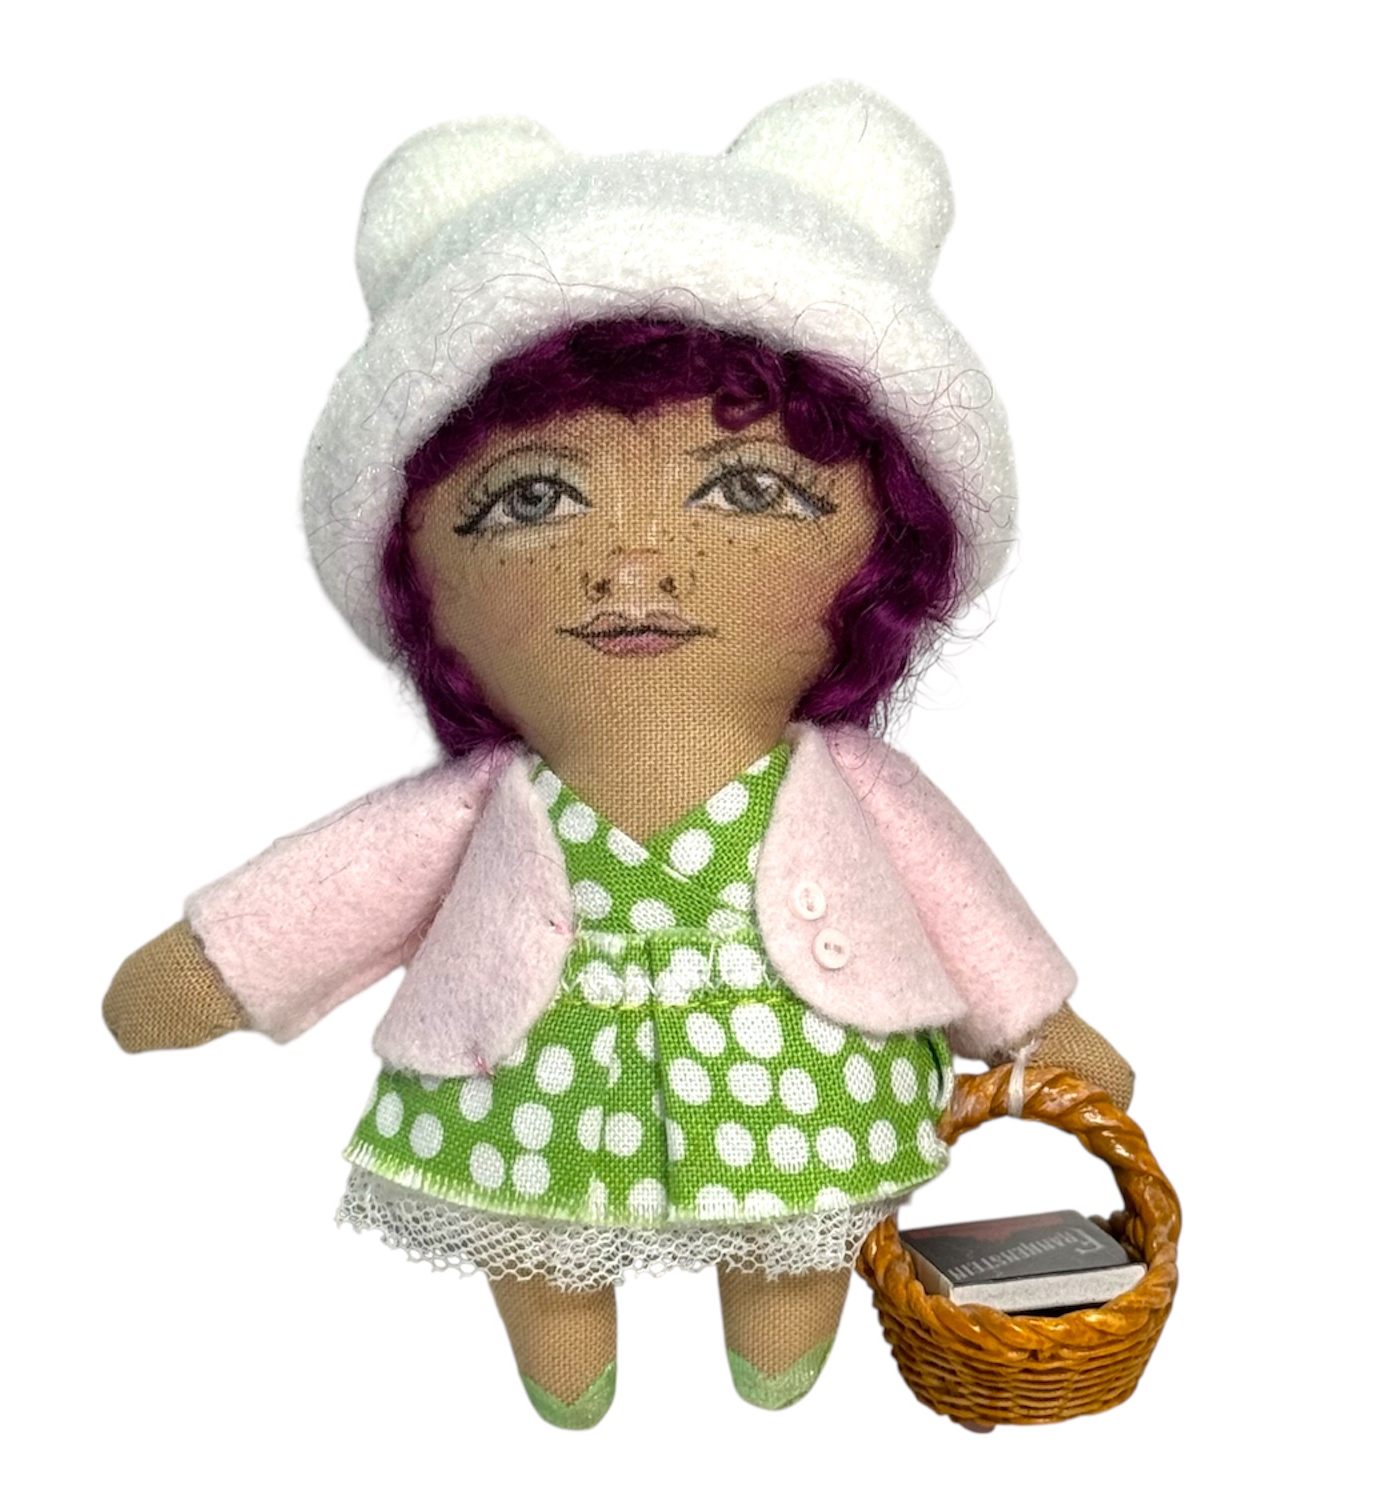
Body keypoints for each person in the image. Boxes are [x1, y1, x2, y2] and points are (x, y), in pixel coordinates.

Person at [103, 83, 1134, 1429]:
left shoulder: (852, 786)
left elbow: (963, 906)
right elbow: (343, 887)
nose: (636, 561)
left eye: (750, 489)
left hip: (797, 1092)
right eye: (533, 496)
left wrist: (1038, 1030)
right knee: (538, 1241)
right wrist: (222, 965)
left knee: (794, 1233)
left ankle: (778, 1342)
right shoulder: (479, 803)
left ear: (879, 552)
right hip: (525, 1090)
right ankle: (565, 1364)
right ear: (424, 577)